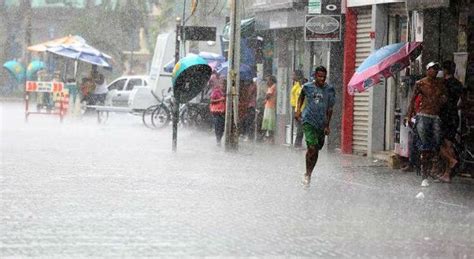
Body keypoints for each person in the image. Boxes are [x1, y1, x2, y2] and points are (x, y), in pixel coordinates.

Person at [407, 62, 447, 187]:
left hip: (435, 116)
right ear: (427, 70)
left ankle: (432, 168)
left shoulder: (440, 84)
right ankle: (424, 174)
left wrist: (442, 101)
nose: (434, 71)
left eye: (436, 69)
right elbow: (413, 99)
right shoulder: (421, 83)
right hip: (423, 116)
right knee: (425, 145)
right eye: (432, 69)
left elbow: (444, 98)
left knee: (436, 144)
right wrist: (409, 115)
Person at [295, 66, 335, 186]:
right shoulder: (308, 87)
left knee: (316, 150)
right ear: (315, 76)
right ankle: (307, 174)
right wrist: (298, 110)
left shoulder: (330, 90)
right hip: (308, 121)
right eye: (319, 76)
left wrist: (327, 125)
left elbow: (330, 108)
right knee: (311, 148)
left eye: (324, 76)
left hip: (321, 124)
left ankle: (310, 172)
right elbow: (301, 96)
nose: (322, 79)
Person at [437, 60, 464, 182]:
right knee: (449, 144)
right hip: (454, 115)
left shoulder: (443, 84)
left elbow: (442, 100)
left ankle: (452, 160)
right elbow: (461, 102)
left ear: (445, 70)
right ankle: (447, 174)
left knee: (439, 143)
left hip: (445, 116)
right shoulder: (458, 84)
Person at [209, 73, 226, 146]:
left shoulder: (223, 92)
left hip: (222, 111)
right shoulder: (216, 91)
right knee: (217, 126)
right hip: (216, 112)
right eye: (222, 84)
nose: (223, 86)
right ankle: (218, 140)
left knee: (222, 127)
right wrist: (220, 99)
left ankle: (220, 139)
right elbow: (211, 101)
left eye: (223, 84)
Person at [290, 70, 305, 148]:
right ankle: (297, 143)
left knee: (300, 127)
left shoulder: (302, 85)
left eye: (293, 75)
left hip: (301, 109)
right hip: (296, 108)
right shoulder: (296, 84)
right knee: (298, 126)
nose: (292, 76)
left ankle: (297, 143)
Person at [261, 75, 277, 143]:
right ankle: (268, 137)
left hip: (270, 106)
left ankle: (269, 137)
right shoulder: (272, 87)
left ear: (271, 81)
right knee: (268, 122)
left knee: (269, 122)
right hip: (269, 106)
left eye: (268, 80)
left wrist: (264, 99)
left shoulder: (272, 87)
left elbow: (268, 96)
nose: (267, 82)